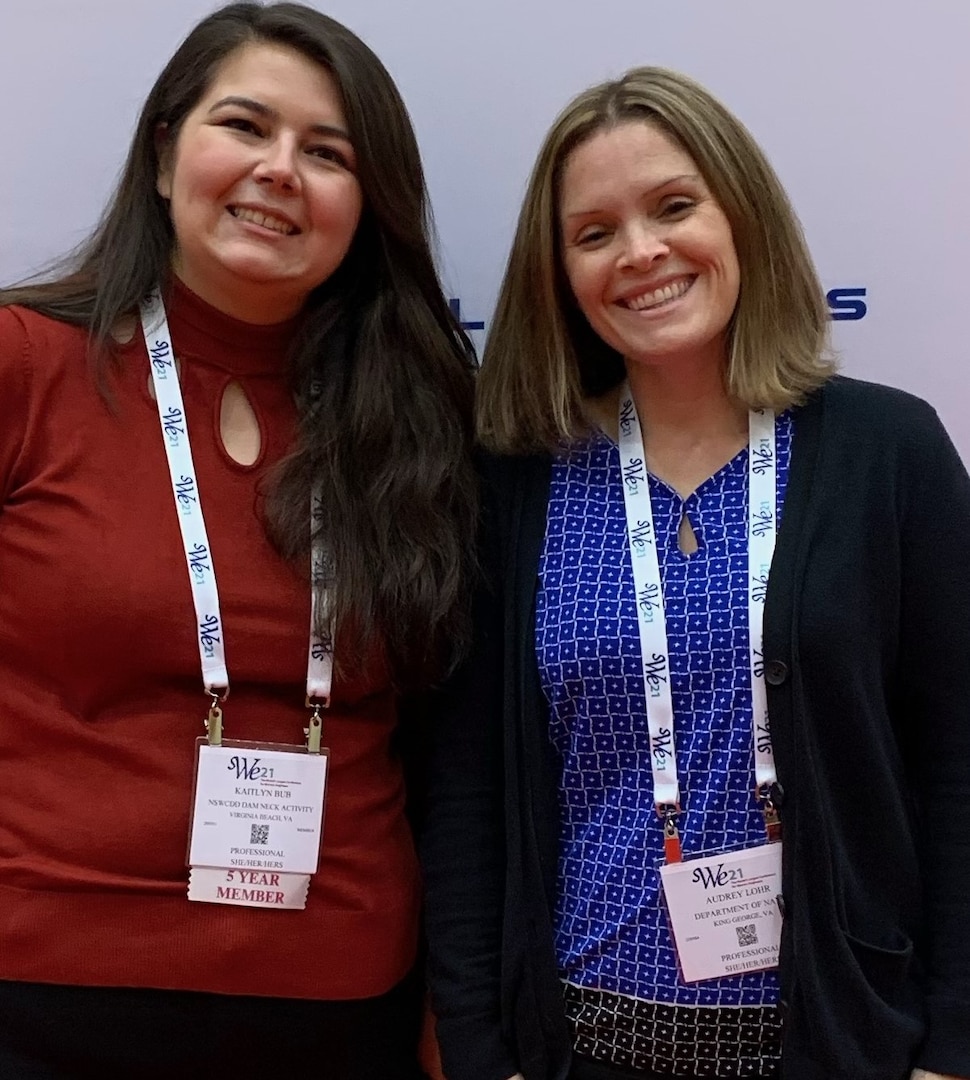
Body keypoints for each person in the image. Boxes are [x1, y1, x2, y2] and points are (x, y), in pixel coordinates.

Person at [421, 67, 970, 1080]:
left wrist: (952, 1042)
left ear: (742, 216)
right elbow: (464, 782)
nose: (640, 253)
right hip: (577, 1041)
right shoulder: (517, 479)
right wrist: (476, 1044)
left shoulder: (885, 452)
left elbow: (955, 759)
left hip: (839, 1041)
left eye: (674, 206)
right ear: (559, 276)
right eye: (592, 233)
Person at [0, 3, 476, 1076]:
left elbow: (451, 746)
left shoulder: (422, 420)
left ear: (368, 203)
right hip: (42, 992)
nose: (279, 170)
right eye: (245, 127)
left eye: (326, 152)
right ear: (167, 155)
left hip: (341, 1002)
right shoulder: (23, 367)